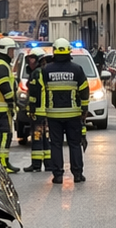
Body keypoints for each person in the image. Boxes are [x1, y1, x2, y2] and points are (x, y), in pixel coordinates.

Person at [28, 38, 89, 185]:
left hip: (53, 114)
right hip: (73, 114)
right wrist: (84, 109)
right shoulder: (76, 69)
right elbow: (84, 91)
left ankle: (58, 175)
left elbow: (37, 91)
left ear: (54, 51)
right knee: (74, 144)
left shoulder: (46, 70)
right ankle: (78, 174)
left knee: (56, 144)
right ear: (69, 51)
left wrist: (33, 108)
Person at [0, 38, 19, 173]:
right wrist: (11, 102)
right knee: (4, 135)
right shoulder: (2, 66)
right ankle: (2, 163)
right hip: (1, 106)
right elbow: (4, 85)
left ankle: (2, 162)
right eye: (11, 50)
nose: (13, 53)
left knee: (2, 135)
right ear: (5, 50)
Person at [23, 53, 50, 173]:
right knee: (46, 138)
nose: (30, 62)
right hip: (47, 113)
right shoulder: (46, 71)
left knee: (37, 137)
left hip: (38, 113)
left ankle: (36, 165)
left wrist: (31, 109)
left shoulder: (36, 73)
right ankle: (49, 164)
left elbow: (34, 94)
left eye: (32, 59)